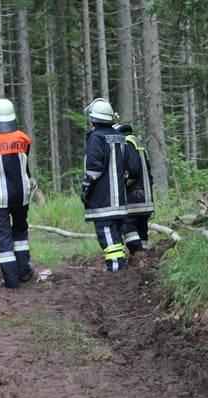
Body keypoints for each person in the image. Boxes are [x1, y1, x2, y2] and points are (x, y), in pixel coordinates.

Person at [0, 99, 36, 288]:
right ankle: (24, 270)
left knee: (3, 235)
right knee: (20, 230)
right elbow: (24, 164)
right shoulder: (24, 139)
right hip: (21, 195)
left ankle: (11, 279)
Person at [81, 98, 133, 272]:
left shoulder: (96, 138)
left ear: (94, 119)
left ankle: (116, 269)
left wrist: (85, 189)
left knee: (107, 234)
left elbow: (93, 169)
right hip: (119, 199)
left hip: (102, 199)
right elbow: (127, 165)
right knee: (115, 234)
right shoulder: (121, 138)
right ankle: (119, 267)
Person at [114, 123, 154, 255]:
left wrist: (123, 185)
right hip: (145, 198)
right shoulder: (137, 142)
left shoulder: (126, 143)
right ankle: (144, 256)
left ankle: (138, 255)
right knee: (141, 228)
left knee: (128, 225)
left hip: (133, 198)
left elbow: (133, 169)